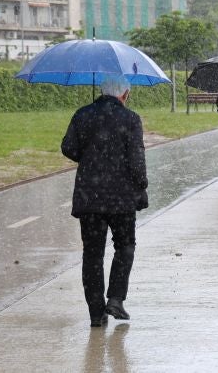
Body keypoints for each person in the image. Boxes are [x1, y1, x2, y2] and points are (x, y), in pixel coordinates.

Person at [61, 74, 149, 327]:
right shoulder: (130, 119)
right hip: (121, 198)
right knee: (125, 246)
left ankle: (95, 313)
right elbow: (137, 159)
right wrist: (141, 185)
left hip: (90, 196)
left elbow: (68, 147)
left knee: (92, 254)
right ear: (124, 94)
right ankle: (116, 298)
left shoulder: (82, 114)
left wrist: (90, 157)